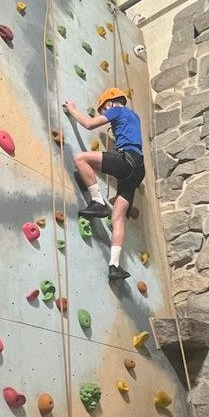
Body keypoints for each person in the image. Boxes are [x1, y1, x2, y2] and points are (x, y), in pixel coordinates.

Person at [63, 88, 145, 282]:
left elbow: (90, 124)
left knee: (80, 158)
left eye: (103, 109)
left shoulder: (117, 110)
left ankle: (97, 201)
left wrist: (72, 110)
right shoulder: (135, 116)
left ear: (109, 103)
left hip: (127, 161)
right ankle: (114, 266)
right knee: (118, 217)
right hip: (138, 170)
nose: (105, 113)